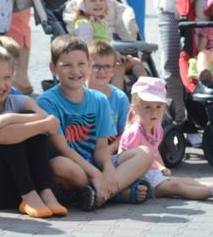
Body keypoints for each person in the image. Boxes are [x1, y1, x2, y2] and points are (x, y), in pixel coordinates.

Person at [38, 35, 154, 208]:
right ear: (53, 68)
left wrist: (107, 168)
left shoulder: (99, 100)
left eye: (81, 64)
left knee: (145, 153)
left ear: (89, 65)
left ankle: (96, 195)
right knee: (59, 165)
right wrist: (95, 174)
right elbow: (61, 149)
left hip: (94, 163)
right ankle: (114, 193)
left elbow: (100, 148)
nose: (75, 71)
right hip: (73, 168)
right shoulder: (46, 102)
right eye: (67, 65)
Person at [0, 36, 66, 216]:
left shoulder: (20, 101)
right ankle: (30, 195)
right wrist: (40, 124)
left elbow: (53, 123)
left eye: (7, 78)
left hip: (14, 187)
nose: (1, 85)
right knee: (15, 128)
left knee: (29, 118)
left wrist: (8, 118)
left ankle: (45, 192)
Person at [118, 76, 213, 201]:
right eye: (148, 107)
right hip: (142, 181)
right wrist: (132, 188)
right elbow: (123, 161)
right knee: (178, 187)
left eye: (159, 107)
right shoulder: (133, 133)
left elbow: (154, 153)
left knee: (188, 180)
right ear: (135, 109)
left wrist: (161, 168)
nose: (154, 112)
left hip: (154, 175)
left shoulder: (157, 128)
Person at [67, 0, 147, 90]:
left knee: (136, 62)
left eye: (101, 0)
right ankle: (116, 100)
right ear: (82, 4)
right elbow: (87, 48)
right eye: (93, 0)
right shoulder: (84, 23)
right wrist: (113, 56)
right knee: (118, 68)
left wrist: (117, 55)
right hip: (95, 61)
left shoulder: (101, 22)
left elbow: (109, 44)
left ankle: (146, 89)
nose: (98, 4)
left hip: (109, 57)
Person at [85, 41, 130, 159]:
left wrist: (108, 151)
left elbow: (125, 133)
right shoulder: (77, 94)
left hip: (110, 152)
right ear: (86, 66)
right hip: (82, 152)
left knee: (143, 154)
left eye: (107, 66)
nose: (102, 71)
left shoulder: (120, 98)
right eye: (96, 66)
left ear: (113, 69)